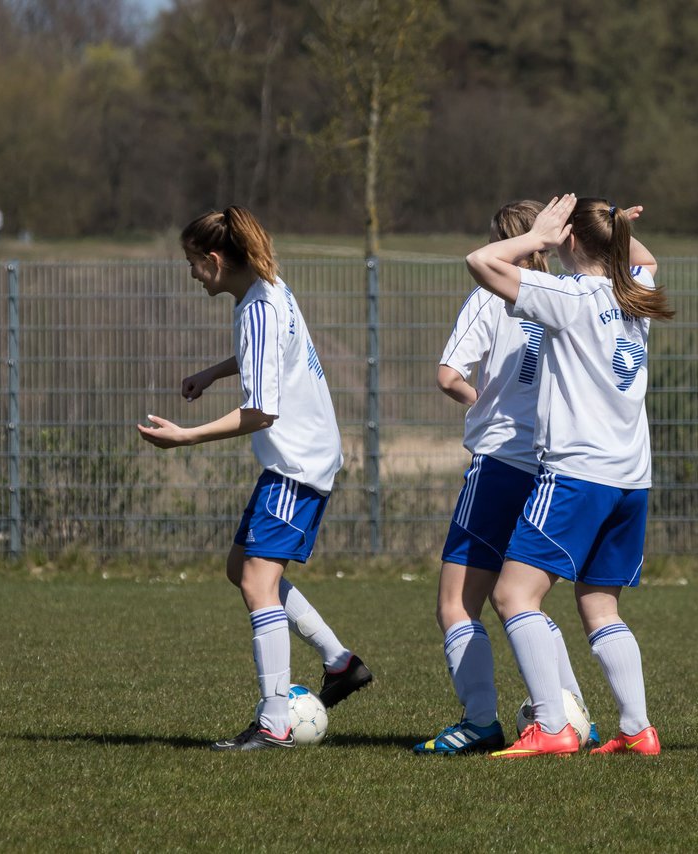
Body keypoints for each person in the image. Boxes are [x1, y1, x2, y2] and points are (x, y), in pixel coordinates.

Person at [138, 205, 372, 750]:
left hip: (297, 463)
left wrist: (185, 436)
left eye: (194, 264)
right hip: (296, 458)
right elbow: (265, 359)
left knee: (256, 584)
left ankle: (274, 724)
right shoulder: (266, 291)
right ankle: (340, 664)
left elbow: (261, 411)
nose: (193, 274)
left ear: (216, 260)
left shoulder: (260, 309)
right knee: (240, 567)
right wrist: (213, 372)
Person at [464, 194, 673, 759]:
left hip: (578, 473)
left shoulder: (570, 296)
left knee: (513, 595)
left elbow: (480, 261)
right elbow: (645, 262)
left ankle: (552, 724)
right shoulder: (637, 294)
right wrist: (616, 232)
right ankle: (637, 730)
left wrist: (538, 237)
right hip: (632, 479)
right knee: (600, 606)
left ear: (571, 241)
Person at [414, 200, 597, 756]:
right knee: (525, 600)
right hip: (554, 465)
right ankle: (571, 713)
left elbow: (449, 375)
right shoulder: (572, 294)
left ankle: (479, 721)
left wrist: (482, 406)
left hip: (500, 462)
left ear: (504, 239)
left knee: (456, 604)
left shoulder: (490, 294)